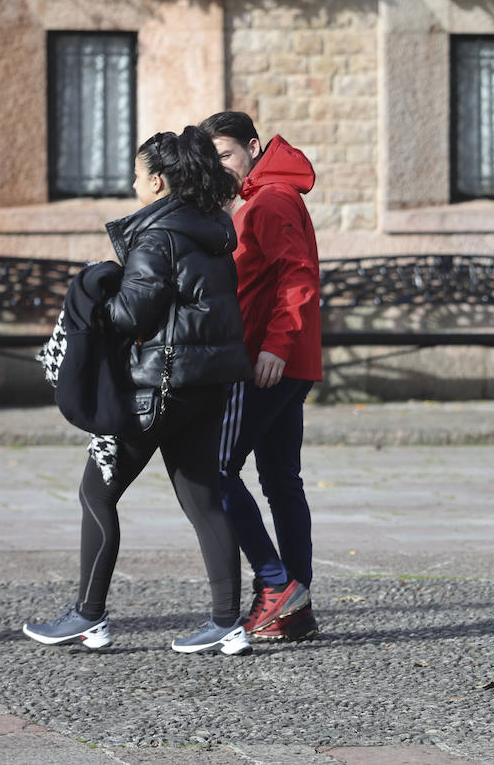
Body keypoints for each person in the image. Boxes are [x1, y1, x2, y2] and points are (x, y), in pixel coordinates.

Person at [22, 128, 254, 655]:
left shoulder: (158, 235)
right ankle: (226, 623)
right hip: (207, 384)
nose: (131, 183)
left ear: (156, 180)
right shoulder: (212, 226)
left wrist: (96, 286)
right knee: (201, 498)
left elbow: (133, 314)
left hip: (156, 389)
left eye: (135, 174)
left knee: (96, 492)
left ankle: (88, 615)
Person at [199, 111, 323, 642]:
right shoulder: (263, 197)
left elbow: (298, 276)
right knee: (281, 482)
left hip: (272, 362)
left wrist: (274, 345)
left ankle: (276, 585)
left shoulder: (270, 200)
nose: (221, 166)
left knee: (216, 469)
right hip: (286, 360)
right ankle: (296, 609)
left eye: (226, 154)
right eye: (213, 158)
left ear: (252, 146)